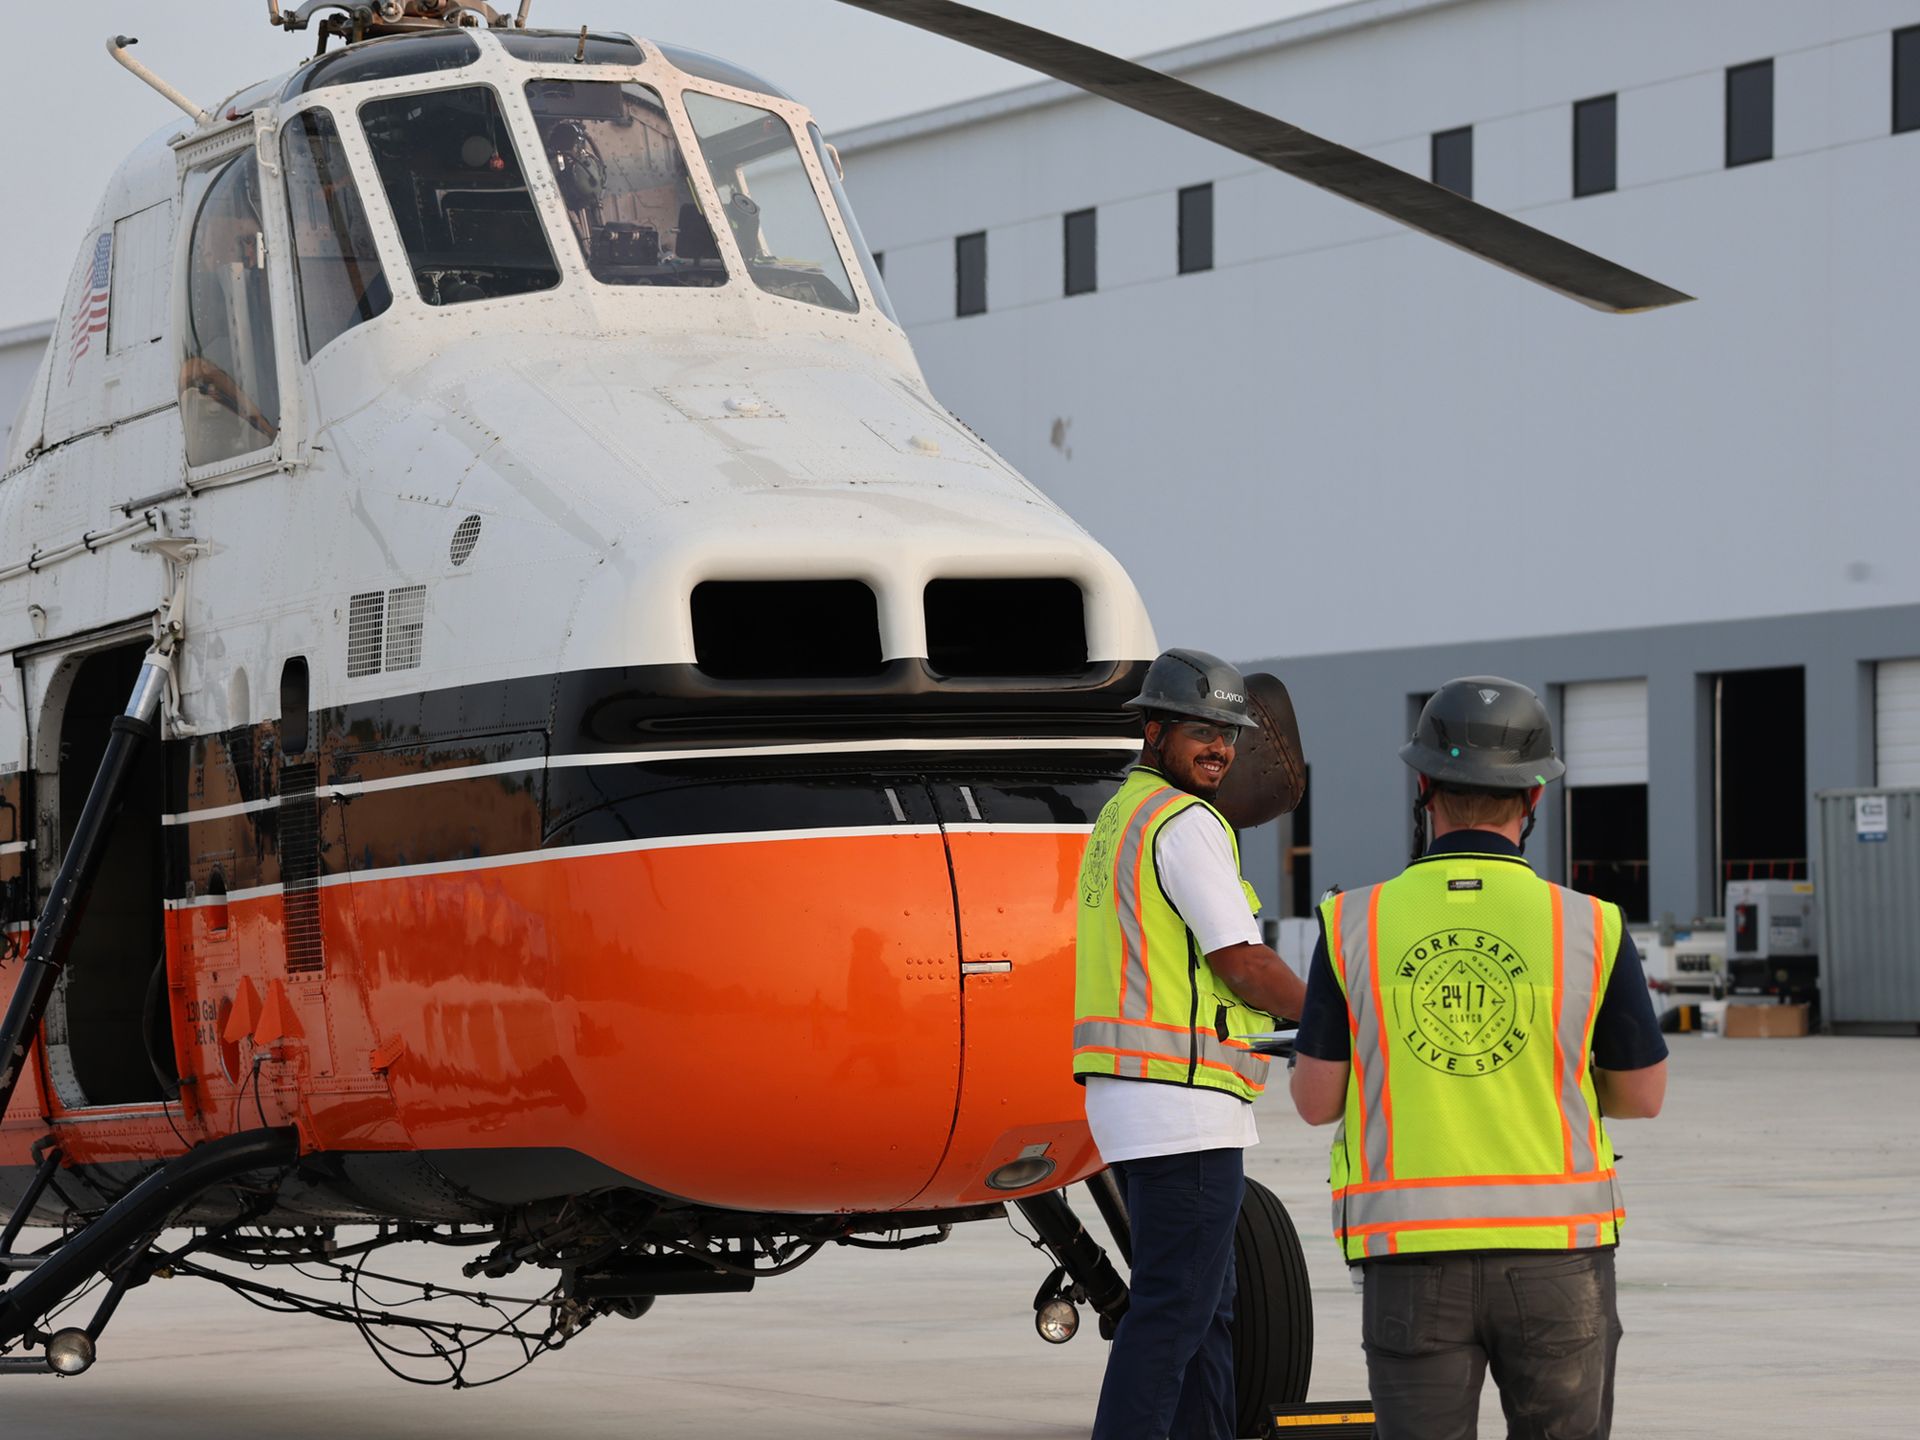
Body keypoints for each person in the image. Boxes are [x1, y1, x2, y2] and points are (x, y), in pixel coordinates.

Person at [1289, 677, 1669, 1440]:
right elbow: (1642, 1094)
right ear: (1532, 798)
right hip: (1560, 1259)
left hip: (1411, 1259)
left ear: (1423, 785)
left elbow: (1315, 1099)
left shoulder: (1353, 923)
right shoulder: (1590, 925)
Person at [1073, 647, 1309, 1440]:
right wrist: (1339, 1017)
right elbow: (1239, 960)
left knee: (1208, 1313)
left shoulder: (1121, 816)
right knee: (1175, 1314)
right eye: (1202, 730)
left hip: (1140, 1099)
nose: (1219, 748)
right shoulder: (1187, 823)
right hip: (1179, 1102)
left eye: (1229, 733)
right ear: (1154, 730)